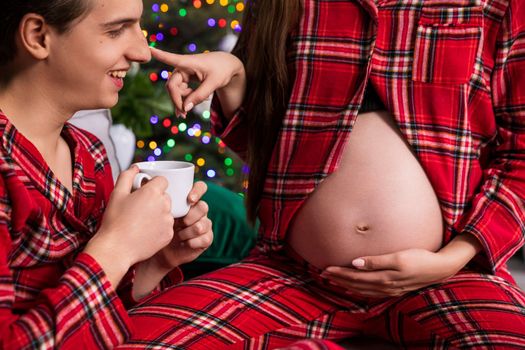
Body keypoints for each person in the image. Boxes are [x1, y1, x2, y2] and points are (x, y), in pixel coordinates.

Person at [120, 0, 525, 348]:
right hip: (294, 274)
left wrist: (453, 259)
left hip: (448, 276)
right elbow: (254, 138)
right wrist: (233, 74)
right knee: (136, 340)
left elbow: (520, 155)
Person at [0, 1, 213, 349]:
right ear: (38, 36)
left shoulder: (88, 154)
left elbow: (101, 322)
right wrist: (115, 249)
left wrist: (153, 261)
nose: (142, 52)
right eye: (116, 30)